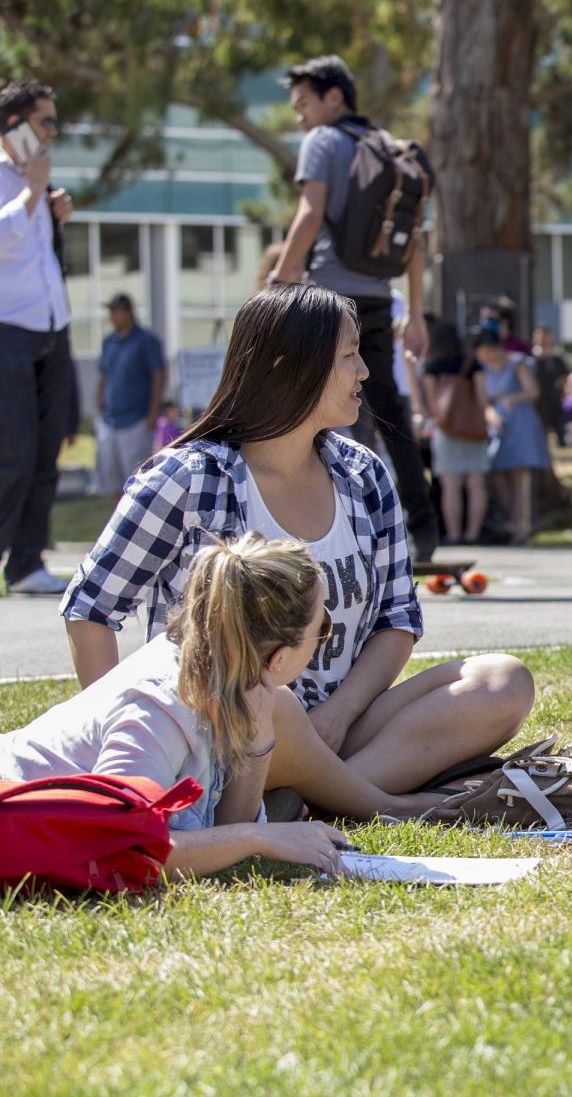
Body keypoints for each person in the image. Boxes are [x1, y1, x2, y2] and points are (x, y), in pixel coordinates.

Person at [60, 285, 534, 818]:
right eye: (349, 356)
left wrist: (337, 715)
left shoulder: (363, 475)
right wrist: (138, 735)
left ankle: (303, 800)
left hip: (342, 729)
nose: (365, 372)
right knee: (274, 707)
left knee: (502, 681)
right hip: (222, 734)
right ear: (292, 367)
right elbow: (90, 609)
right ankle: (356, 797)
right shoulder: (187, 478)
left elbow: (397, 620)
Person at [3, 534, 375, 876]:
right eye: (322, 628)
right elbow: (122, 846)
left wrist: (258, 743)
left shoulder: (229, 683)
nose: (322, 640)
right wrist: (259, 838)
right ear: (278, 657)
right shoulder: (160, 705)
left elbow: (224, 830)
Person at [267, 54, 438, 562]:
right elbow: (414, 240)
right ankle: (422, 527)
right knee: (386, 409)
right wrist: (419, 310)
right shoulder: (388, 147)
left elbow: (310, 211)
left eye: (303, 104)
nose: (299, 117)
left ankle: (333, 526)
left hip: (330, 301)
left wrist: (281, 281)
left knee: (318, 409)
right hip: (381, 299)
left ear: (333, 97)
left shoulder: (322, 142)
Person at [0, 78, 78, 597]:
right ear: (14, 124)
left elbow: (42, 261)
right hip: (9, 329)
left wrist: (52, 211)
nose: (53, 130)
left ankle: (27, 563)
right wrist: (30, 193)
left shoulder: (37, 180)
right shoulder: (14, 180)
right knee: (13, 450)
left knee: (47, 449)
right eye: (45, 121)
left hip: (53, 329)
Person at [474, 331, 550, 545]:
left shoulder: (517, 362)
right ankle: (509, 522)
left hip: (521, 422)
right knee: (498, 475)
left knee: (520, 478)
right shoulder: (485, 369)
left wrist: (510, 399)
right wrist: (491, 414)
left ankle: (522, 527)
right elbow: (485, 401)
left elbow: (532, 391)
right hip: (499, 425)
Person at [417, 321, 488, 546]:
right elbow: (482, 398)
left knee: (450, 485)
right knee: (476, 484)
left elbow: (431, 402)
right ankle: (473, 534)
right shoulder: (472, 363)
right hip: (474, 430)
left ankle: (455, 534)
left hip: (446, 430)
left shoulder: (432, 365)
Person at [93, 293, 166, 499]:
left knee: (136, 479)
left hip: (136, 419)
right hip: (110, 419)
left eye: (116, 311)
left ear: (129, 312)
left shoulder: (147, 341)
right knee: (113, 478)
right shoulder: (109, 341)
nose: (112, 317)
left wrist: (153, 413)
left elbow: (158, 375)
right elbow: (103, 373)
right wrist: (98, 400)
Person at [531, 324, 571, 448]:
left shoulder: (557, 358)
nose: (543, 339)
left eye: (546, 335)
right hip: (539, 398)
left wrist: (565, 395)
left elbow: (564, 378)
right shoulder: (532, 357)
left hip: (555, 396)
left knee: (559, 424)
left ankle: (562, 444)